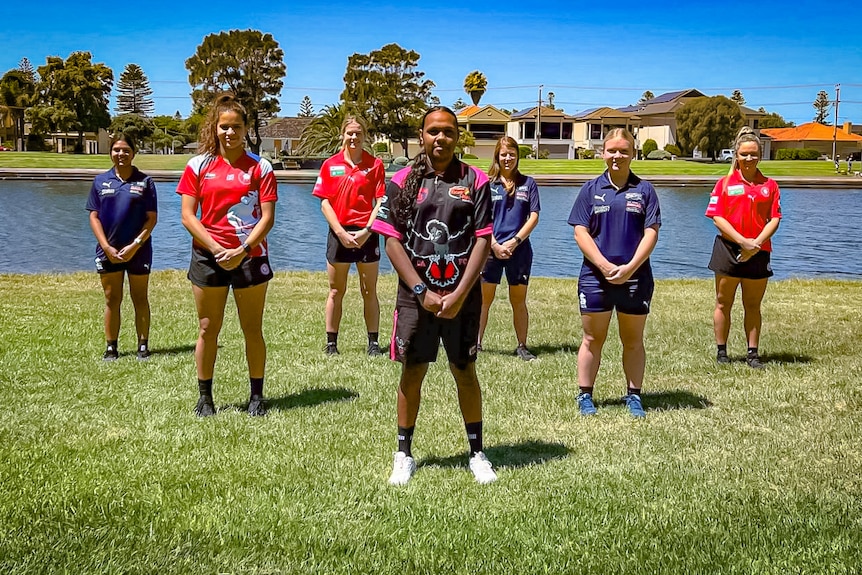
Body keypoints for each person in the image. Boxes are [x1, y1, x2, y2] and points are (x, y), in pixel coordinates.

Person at [371, 106, 497, 485]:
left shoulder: (474, 180)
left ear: (457, 136)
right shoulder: (403, 179)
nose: (440, 138)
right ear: (421, 135)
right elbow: (390, 240)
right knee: (413, 372)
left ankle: (476, 453)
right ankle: (403, 454)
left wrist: (459, 293)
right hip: (416, 296)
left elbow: (483, 239)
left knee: (465, 372)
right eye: (433, 131)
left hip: (462, 295)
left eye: (447, 132)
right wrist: (421, 290)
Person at [177, 93, 278, 417]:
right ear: (215, 128)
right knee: (208, 328)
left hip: (250, 255)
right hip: (209, 256)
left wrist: (243, 249)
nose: (230, 133)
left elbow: (267, 217)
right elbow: (188, 215)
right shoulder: (198, 165)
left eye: (236, 126)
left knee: (253, 328)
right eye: (224, 126)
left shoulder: (260, 167)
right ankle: (205, 398)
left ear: (246, 128)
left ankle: (257, 397)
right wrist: (217, 248)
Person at [567, 128, 661, 418]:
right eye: (612, 151)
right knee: (592, 339)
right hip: (596, 277)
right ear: (603, 153)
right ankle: (585, 396)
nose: (617, 156)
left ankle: (633, 396)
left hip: (636, 277)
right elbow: (580, 232)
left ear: (633, 153)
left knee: (632, 340)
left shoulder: (645, 190)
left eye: (624, 151)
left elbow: (651, 232)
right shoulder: (591, 189)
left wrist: (630, 267)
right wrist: (605, 266)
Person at [706, 126, 781, 369]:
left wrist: (755, 245)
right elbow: (717, 217)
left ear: (760, 156)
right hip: (728, 249)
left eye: (754, 154)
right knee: (723, 302)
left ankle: (752, 353)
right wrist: (742, 242)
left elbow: (775, 219)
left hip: (759, 251)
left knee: (752, 304)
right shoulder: (724, 183)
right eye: (744, 154)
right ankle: (722, 352)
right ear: (736, 155)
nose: (749, 159)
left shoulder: (770, 185)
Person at [312, 115, 386, 356]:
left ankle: (373, 343)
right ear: (342, 135)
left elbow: (380, 202)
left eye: (358, 133)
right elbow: (324, 202)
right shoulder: (329, 165)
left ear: (365, 136)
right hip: (339, 232)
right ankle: (331, 343)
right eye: (349, 133)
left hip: (367, 233)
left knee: (369, 290)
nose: (353, 137)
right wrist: (340, 232)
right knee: (336, 290)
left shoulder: (375, 165)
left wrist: (367, 231)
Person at [86, 133, 158, 361]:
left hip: (138, 250)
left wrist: (136, 244)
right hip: (109, 251)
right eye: (116, 150)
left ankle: (143, 345)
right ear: (110, 153)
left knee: (140, 298)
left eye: (126, 150)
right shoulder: (100, 181)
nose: (121, 154)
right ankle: (111, 347)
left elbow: (151, 219)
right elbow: (94, 216)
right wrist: (106, 247)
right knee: (112, 298)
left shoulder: (145, 182)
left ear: (133, 153)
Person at [478, 136, 541, 361]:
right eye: (504, 154)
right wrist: (494, 244)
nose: (508, 158)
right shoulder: (487, 183)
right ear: (497, 156)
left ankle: (522, 345)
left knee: (518, 300)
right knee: (485, 299)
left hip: (519, 250)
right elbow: (481, 217)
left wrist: (515, 241)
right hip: (490, 250)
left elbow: (534, 217)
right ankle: (477, 344)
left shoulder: (528, 183)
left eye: (512, 154)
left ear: (517, 156)